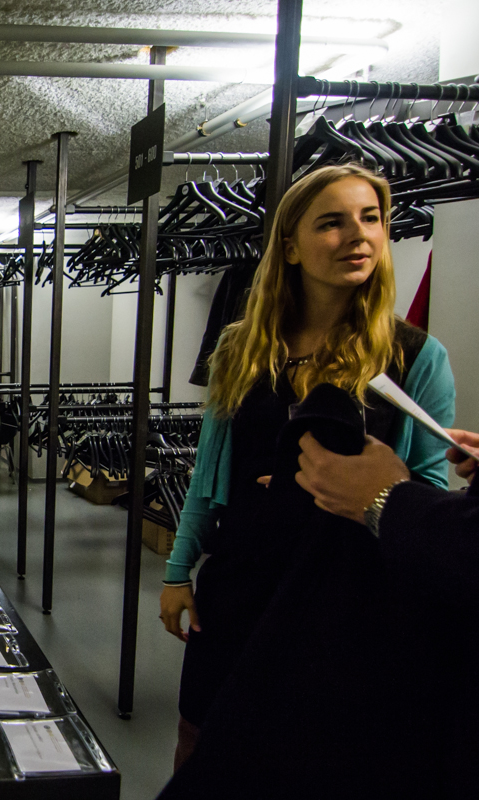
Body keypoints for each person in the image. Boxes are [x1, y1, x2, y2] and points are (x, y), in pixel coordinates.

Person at [157, 163, 455, 769]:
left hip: (345, 594)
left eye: (371, 218)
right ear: (290, 246)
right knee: (206, 740)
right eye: (332, 222)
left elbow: (425, 492)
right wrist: (177, 569)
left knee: (309, 755)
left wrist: (346, 488)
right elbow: (210, 475)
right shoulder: (242, 348)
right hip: (243, 579)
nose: (359, 235)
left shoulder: (414, 356)